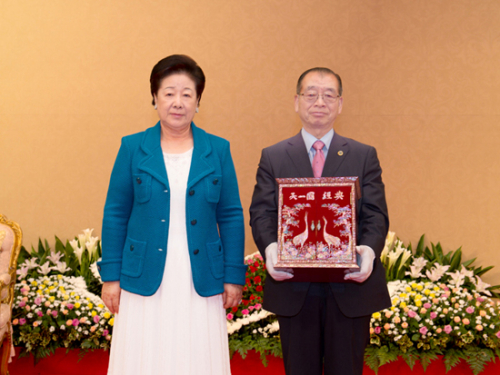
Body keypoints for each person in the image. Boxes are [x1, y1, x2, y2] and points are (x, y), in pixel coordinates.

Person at [98, 54, 247, 375]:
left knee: (196, 355)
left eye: (186, 94)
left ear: (198, 101)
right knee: (144, 354)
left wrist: (233, 276)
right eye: (168, 93)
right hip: (144, 272)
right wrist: (111, 277)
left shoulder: (217, 149)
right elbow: (115, 213)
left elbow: (232, 215)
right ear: (154, 98)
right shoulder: (132, 147)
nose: (177, 102)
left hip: (200, 273)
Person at [249, 67, 391, 375]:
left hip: (350, 287)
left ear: (340, 104)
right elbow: (262, 212)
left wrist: (368, 250)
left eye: (329, 95)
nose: (319, 102)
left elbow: (376, 214)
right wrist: (271, 249)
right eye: (310, 94)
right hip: (294, 287)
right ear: (296, 102)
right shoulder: (273, 156)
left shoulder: (364, 155)